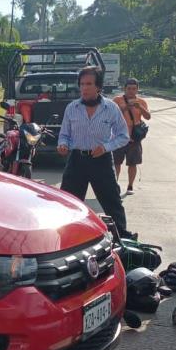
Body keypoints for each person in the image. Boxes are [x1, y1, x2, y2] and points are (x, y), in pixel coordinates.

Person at [57, 66, 135, 238]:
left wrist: (106, 147)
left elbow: (123, 136)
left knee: (112, 202)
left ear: (98, 86)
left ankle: (122, 238)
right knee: (68, 203)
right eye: (82, 84)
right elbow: (64, 135)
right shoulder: (72, 108)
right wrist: (63, 144)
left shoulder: (111, 108)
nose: (84, 88)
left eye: (89, 84)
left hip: (101, 160)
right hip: (77, 160)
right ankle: (66, 237)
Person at [113, 78, 151, 194]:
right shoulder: (117, 100)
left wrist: (140, 107)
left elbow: (148, 117)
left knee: (132, 163)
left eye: (134, 89)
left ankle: (130, 186)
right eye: (129, 88)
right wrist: (125, 108)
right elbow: (112, 115)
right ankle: (114, 186)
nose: (131, 91)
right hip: (119, 137)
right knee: (116, 163)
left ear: (137, 89)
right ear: (124, 89)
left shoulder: (141, 102)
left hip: (135, 137)